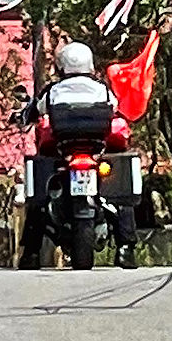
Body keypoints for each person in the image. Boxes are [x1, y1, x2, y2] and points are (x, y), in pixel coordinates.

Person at [19, 41, 138, 269]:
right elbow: (115, 108)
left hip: (65, 150)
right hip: (95, 150)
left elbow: (36, 110)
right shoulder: (101, 88)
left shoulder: (53, 91)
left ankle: (31, 253)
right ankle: (125, 250)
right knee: (121, 198)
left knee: (39, 202)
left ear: (62, 65)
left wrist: (25, 115)